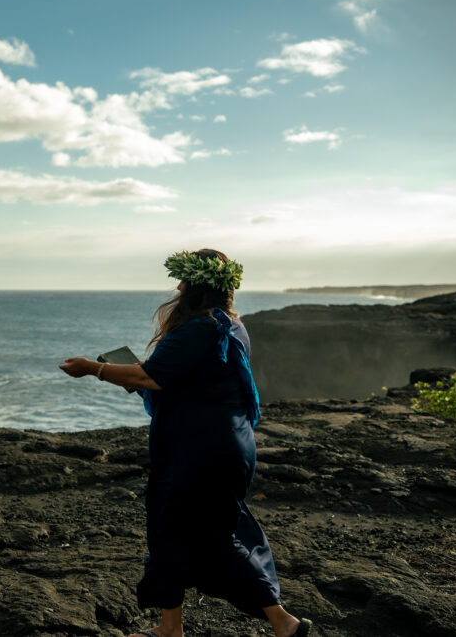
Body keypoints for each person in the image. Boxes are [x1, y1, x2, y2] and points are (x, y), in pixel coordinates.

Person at [59, 249, 312, 637]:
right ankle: (170, 627)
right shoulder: (230, 324)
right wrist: (137, 376)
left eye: (184, 280)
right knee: (177, 530)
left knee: (208, 534)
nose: (177, 287)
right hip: (221, 443)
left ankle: (284, 622)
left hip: (201, 450)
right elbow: (185, 379)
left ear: (198, 286)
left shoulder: (202, 328)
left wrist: (95, 369)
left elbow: (151, 377)